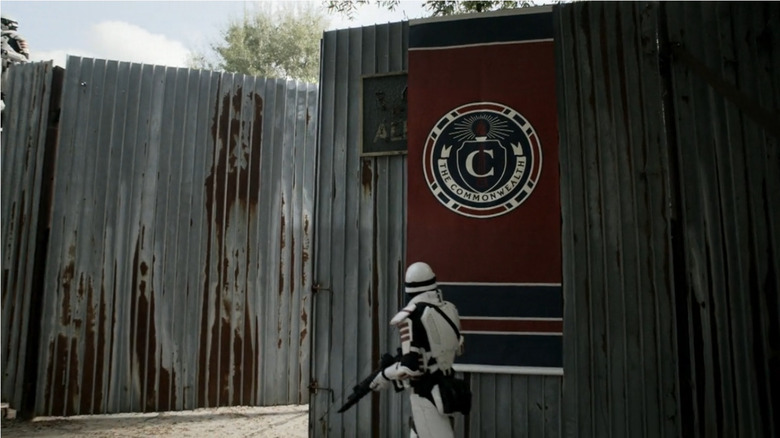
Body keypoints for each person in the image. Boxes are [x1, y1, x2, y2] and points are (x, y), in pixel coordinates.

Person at [370, 261, 465, 438]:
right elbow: (456, 348)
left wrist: (384, 375)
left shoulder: (412, 315)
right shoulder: (449, 309)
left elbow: (410, 367)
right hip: (446, 387)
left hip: (426, 392)